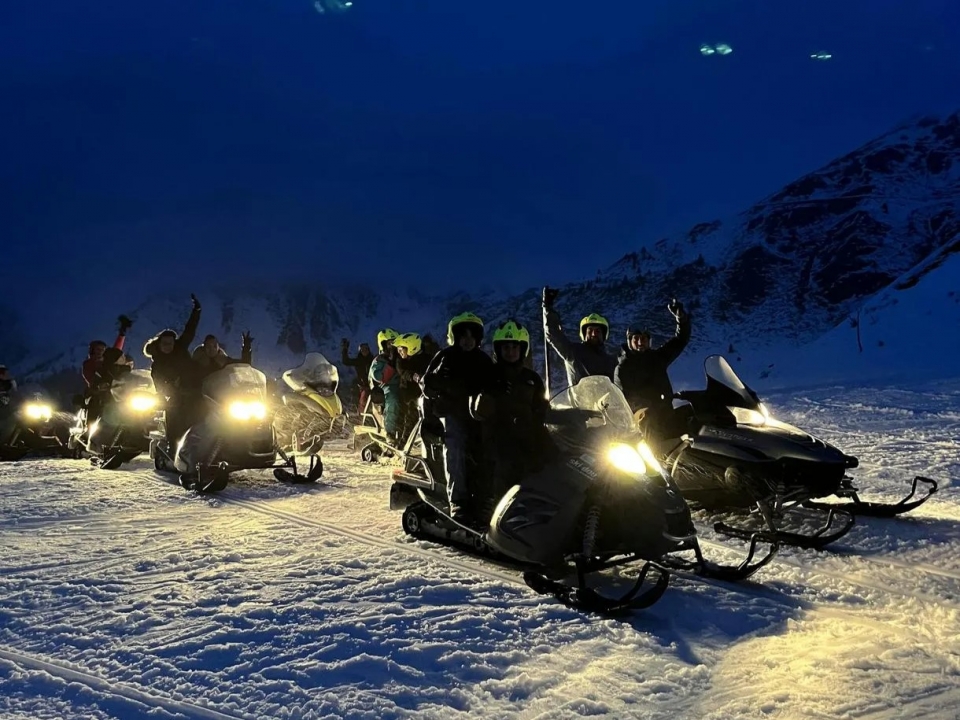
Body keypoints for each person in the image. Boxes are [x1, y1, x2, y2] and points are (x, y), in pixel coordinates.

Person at [420, 312, 494, 523]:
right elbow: (426, 383)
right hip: (452, 414)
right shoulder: (445, 356)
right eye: (463, 335)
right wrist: (436, 383)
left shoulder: (484, 360)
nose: (467, 340)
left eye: (472, 336)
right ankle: (458, 501)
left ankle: (484, 498)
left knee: (488, 450)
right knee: (456, 446)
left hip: (479, 417)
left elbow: (493, 385)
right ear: (455, 337)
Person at [471, 320, 553, 506]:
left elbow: (542, 406)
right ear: (498, 350)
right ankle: (497, 516)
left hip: (528, 437)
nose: (510, 351)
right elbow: (478, 407)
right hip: (498, 439)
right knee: (504, 470)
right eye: (506, 347)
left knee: (555, 461)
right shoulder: (489, 375)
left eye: (514, 347)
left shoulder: (531, 378)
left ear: (522, 349)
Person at [615, 299, 692, 445]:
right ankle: (656, 462)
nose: (640, 342)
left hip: (665, 412)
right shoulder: (623, 367)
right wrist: (646, 407)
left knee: (691, 412)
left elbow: (680, 340)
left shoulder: (657, 358)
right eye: (636, 339)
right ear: (629, 341)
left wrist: (681, 319)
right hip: (641, 419)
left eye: (643, 339)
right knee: (649, 422)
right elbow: (624, 397)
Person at [143, 294, 202, 448]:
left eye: (171, 343)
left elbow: (190, 330)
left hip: (195, 388)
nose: (169, 346)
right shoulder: (158, 363)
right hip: (176, 395)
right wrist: (171, 389)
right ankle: (173, 447)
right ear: (160, 344)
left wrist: (197, 310)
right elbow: (159, 384)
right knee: (175, 414)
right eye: (165, 343)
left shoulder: (180, 348)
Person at [542, 286, 617, 388]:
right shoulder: (572, 352)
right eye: (590, 331)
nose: (594, 334)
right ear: (584, 334)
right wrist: (548, 307)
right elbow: (553, 334)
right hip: (579, 402)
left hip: (606, 403)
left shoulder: (611, 361)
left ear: (604, 335)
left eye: (597, 331)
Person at [393, 332, 434, 444]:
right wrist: (413, 376)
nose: (399, 352)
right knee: (410, 417)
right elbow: (402, 371)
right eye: (398, 350)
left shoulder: (427, 358)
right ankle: (402, 442)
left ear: (412, 348)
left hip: (423, 393)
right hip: (407, 394)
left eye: (402, 349)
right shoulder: (401, 361)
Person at [368, 328, 401, 443]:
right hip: (384, 387)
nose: (392, 346)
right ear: (383, 344)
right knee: (392, 399)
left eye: (394, 343)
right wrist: (390, 364)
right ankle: (390, 432)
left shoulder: (400, 356)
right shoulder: (379, 360)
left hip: (401, 385)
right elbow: (380, 377)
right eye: (390, 343)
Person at [82, 315, 133, 388]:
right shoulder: (88, 364)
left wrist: (122, 332)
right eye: (98, 349)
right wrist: (98, 384)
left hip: (117, 387)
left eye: (103, 350)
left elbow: (116, 350)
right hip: (99, 391)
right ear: (92, 350)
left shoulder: (107, 359)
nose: (100, 352)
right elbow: (89, 376)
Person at [340, 339, 374, 415]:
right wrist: (344, 349)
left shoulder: (372, 360)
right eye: (362, 349)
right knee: (362, 400)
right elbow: (346, 361)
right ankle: (360, 416)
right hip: (363, 386)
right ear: (360, 351)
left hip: (373, 385)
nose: (364, 351)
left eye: (366, 349)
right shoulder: (359, 361)